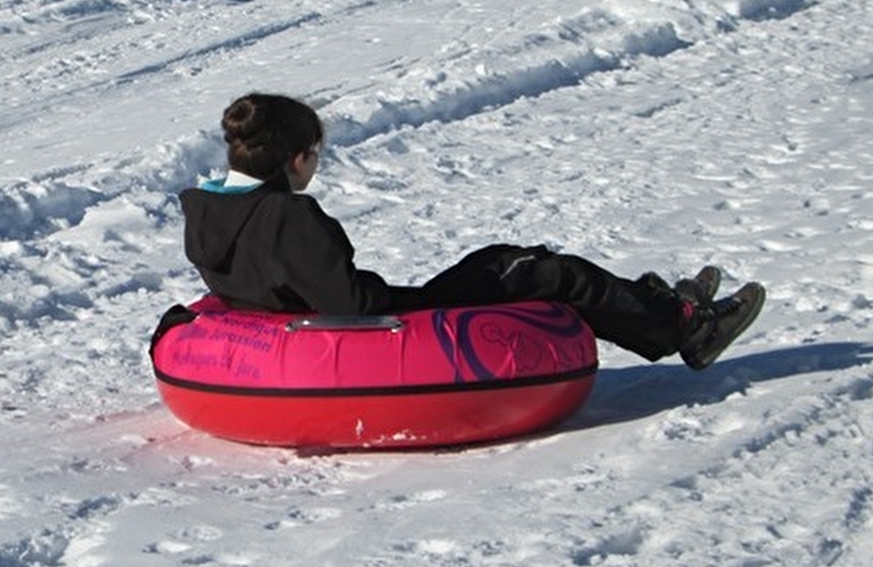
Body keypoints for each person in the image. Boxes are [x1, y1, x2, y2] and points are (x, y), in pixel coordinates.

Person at [177, 93, 764, 370]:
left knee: (498, 259)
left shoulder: (208, 211)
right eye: (316, 157)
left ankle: (659, 303)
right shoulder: (288, 217)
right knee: (540, 269)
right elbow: (349, 306)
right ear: (298, 159)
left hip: (285, 327)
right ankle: (684, 329)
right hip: (392, 328)